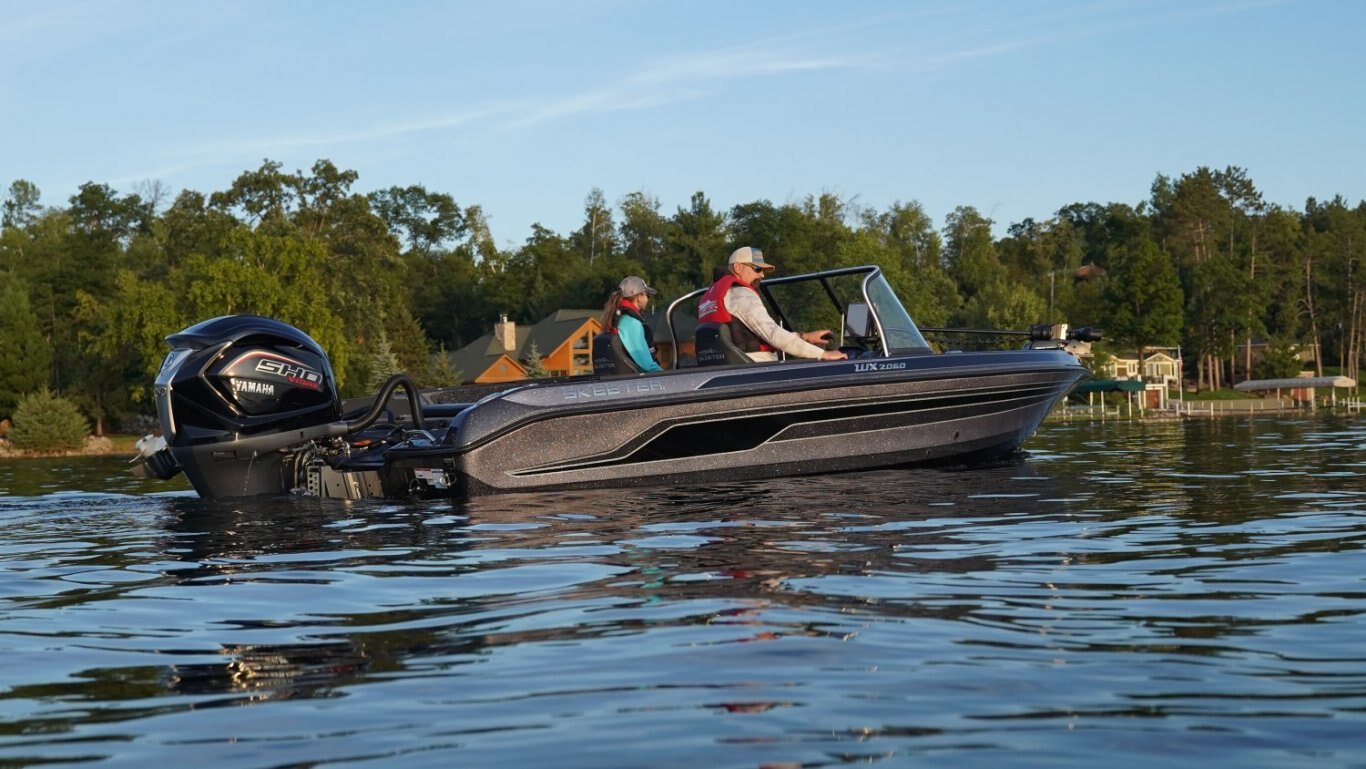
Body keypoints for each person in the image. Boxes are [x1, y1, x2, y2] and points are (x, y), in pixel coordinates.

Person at [698, 247, 846, 362]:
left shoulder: (710, 297)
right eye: (757, 269)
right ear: (738, 268)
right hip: (758, 367)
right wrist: (823, 354)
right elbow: (773, 334)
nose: (762, 275)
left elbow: (749, 335)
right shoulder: (741, 294)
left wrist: (804, 336)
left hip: (733, 367)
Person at [600, 275, 663, 372]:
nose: (648, 299)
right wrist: (668, 376)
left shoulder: (617, 319)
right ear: (639, 297)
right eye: (647, 295)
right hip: (641, 379)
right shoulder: (631, 324)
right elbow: (647, 365)